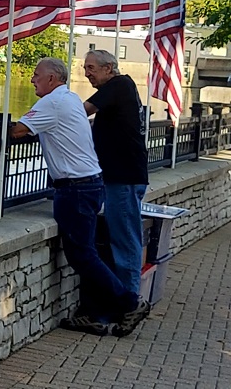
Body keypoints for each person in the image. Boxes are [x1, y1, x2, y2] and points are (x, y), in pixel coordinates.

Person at [9, 57, 149, 337]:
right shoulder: (71, 98)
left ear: (52, 79)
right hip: (93, 183)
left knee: (90, 253)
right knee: (88, 253)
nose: (32, 79)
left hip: (78, 188)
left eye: (36, 75)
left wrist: (4, 127)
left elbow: (18, 131)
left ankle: (130, 303)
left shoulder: (54, 101)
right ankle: (93, 315)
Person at [83, 49, 149, 296]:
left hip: (124, 178)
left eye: (91, 68)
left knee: (125, 240)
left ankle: (130, 301)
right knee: (123, 238)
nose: (86, 73)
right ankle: (125, 298)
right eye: (85, 68)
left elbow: (82, 111)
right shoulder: (121, 88)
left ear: (108, 68)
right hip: (123, 176)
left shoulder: (117, 85)